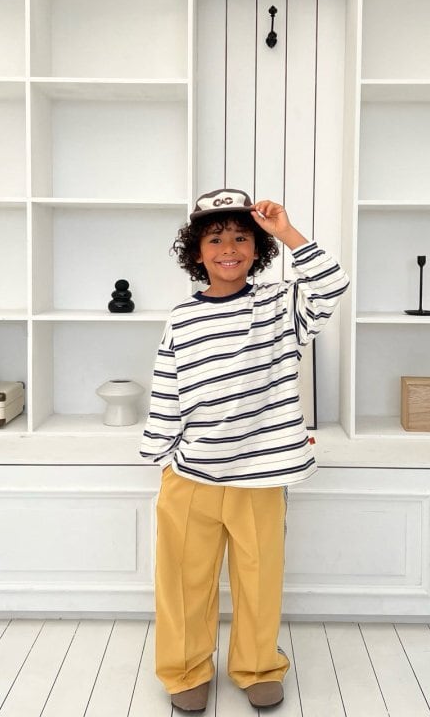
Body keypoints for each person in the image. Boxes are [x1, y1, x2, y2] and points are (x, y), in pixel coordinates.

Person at [140, 188, 350, 712]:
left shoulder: (279, 306)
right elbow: (168, 385)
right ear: (196, 252)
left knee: (259, 580)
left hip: (260, 476)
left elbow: (333, 284)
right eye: (215, 239)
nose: (229, 248)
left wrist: (287, 231)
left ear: (258, 248)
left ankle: (257, 666)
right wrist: (160, 452)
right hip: (192, 475)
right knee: (183, 582)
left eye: (241, 238)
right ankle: (185, 670)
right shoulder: (181, 318)